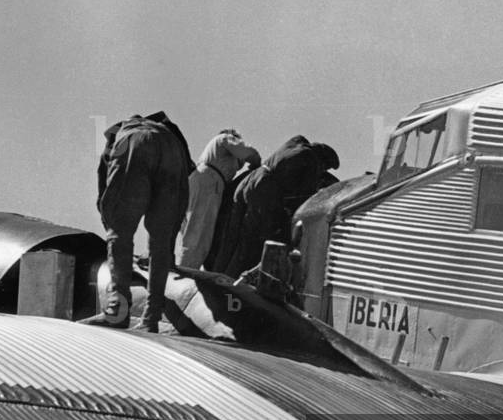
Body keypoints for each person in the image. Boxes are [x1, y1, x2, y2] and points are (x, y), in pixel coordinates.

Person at [83, 111, 192, 331]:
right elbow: (185, 182)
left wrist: (111, 224)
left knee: (120, 234)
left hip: (136, 145)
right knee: (160, 241)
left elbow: (105, 194)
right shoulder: (172, 132)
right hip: (174, 153)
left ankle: (117, 312)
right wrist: (168, 248)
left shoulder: (122, 132)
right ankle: (151, 318)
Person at [213, 136, 338, 278]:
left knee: (232, 234)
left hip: (251, 179)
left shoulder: (294, 146)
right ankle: (233, 280)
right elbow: (304, 201)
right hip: (265, 188)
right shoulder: (312, 160)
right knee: (254, 239)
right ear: (324, 160)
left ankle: (216, 277)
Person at [176, 129, 260, 269]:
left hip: (198, 181)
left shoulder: (214, 155)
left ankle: (183, 265)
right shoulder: (226, 138)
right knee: (200, 230)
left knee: (190, 229)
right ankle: (187, 270)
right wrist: (256, 164)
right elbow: (248, 153)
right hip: (209, 183)